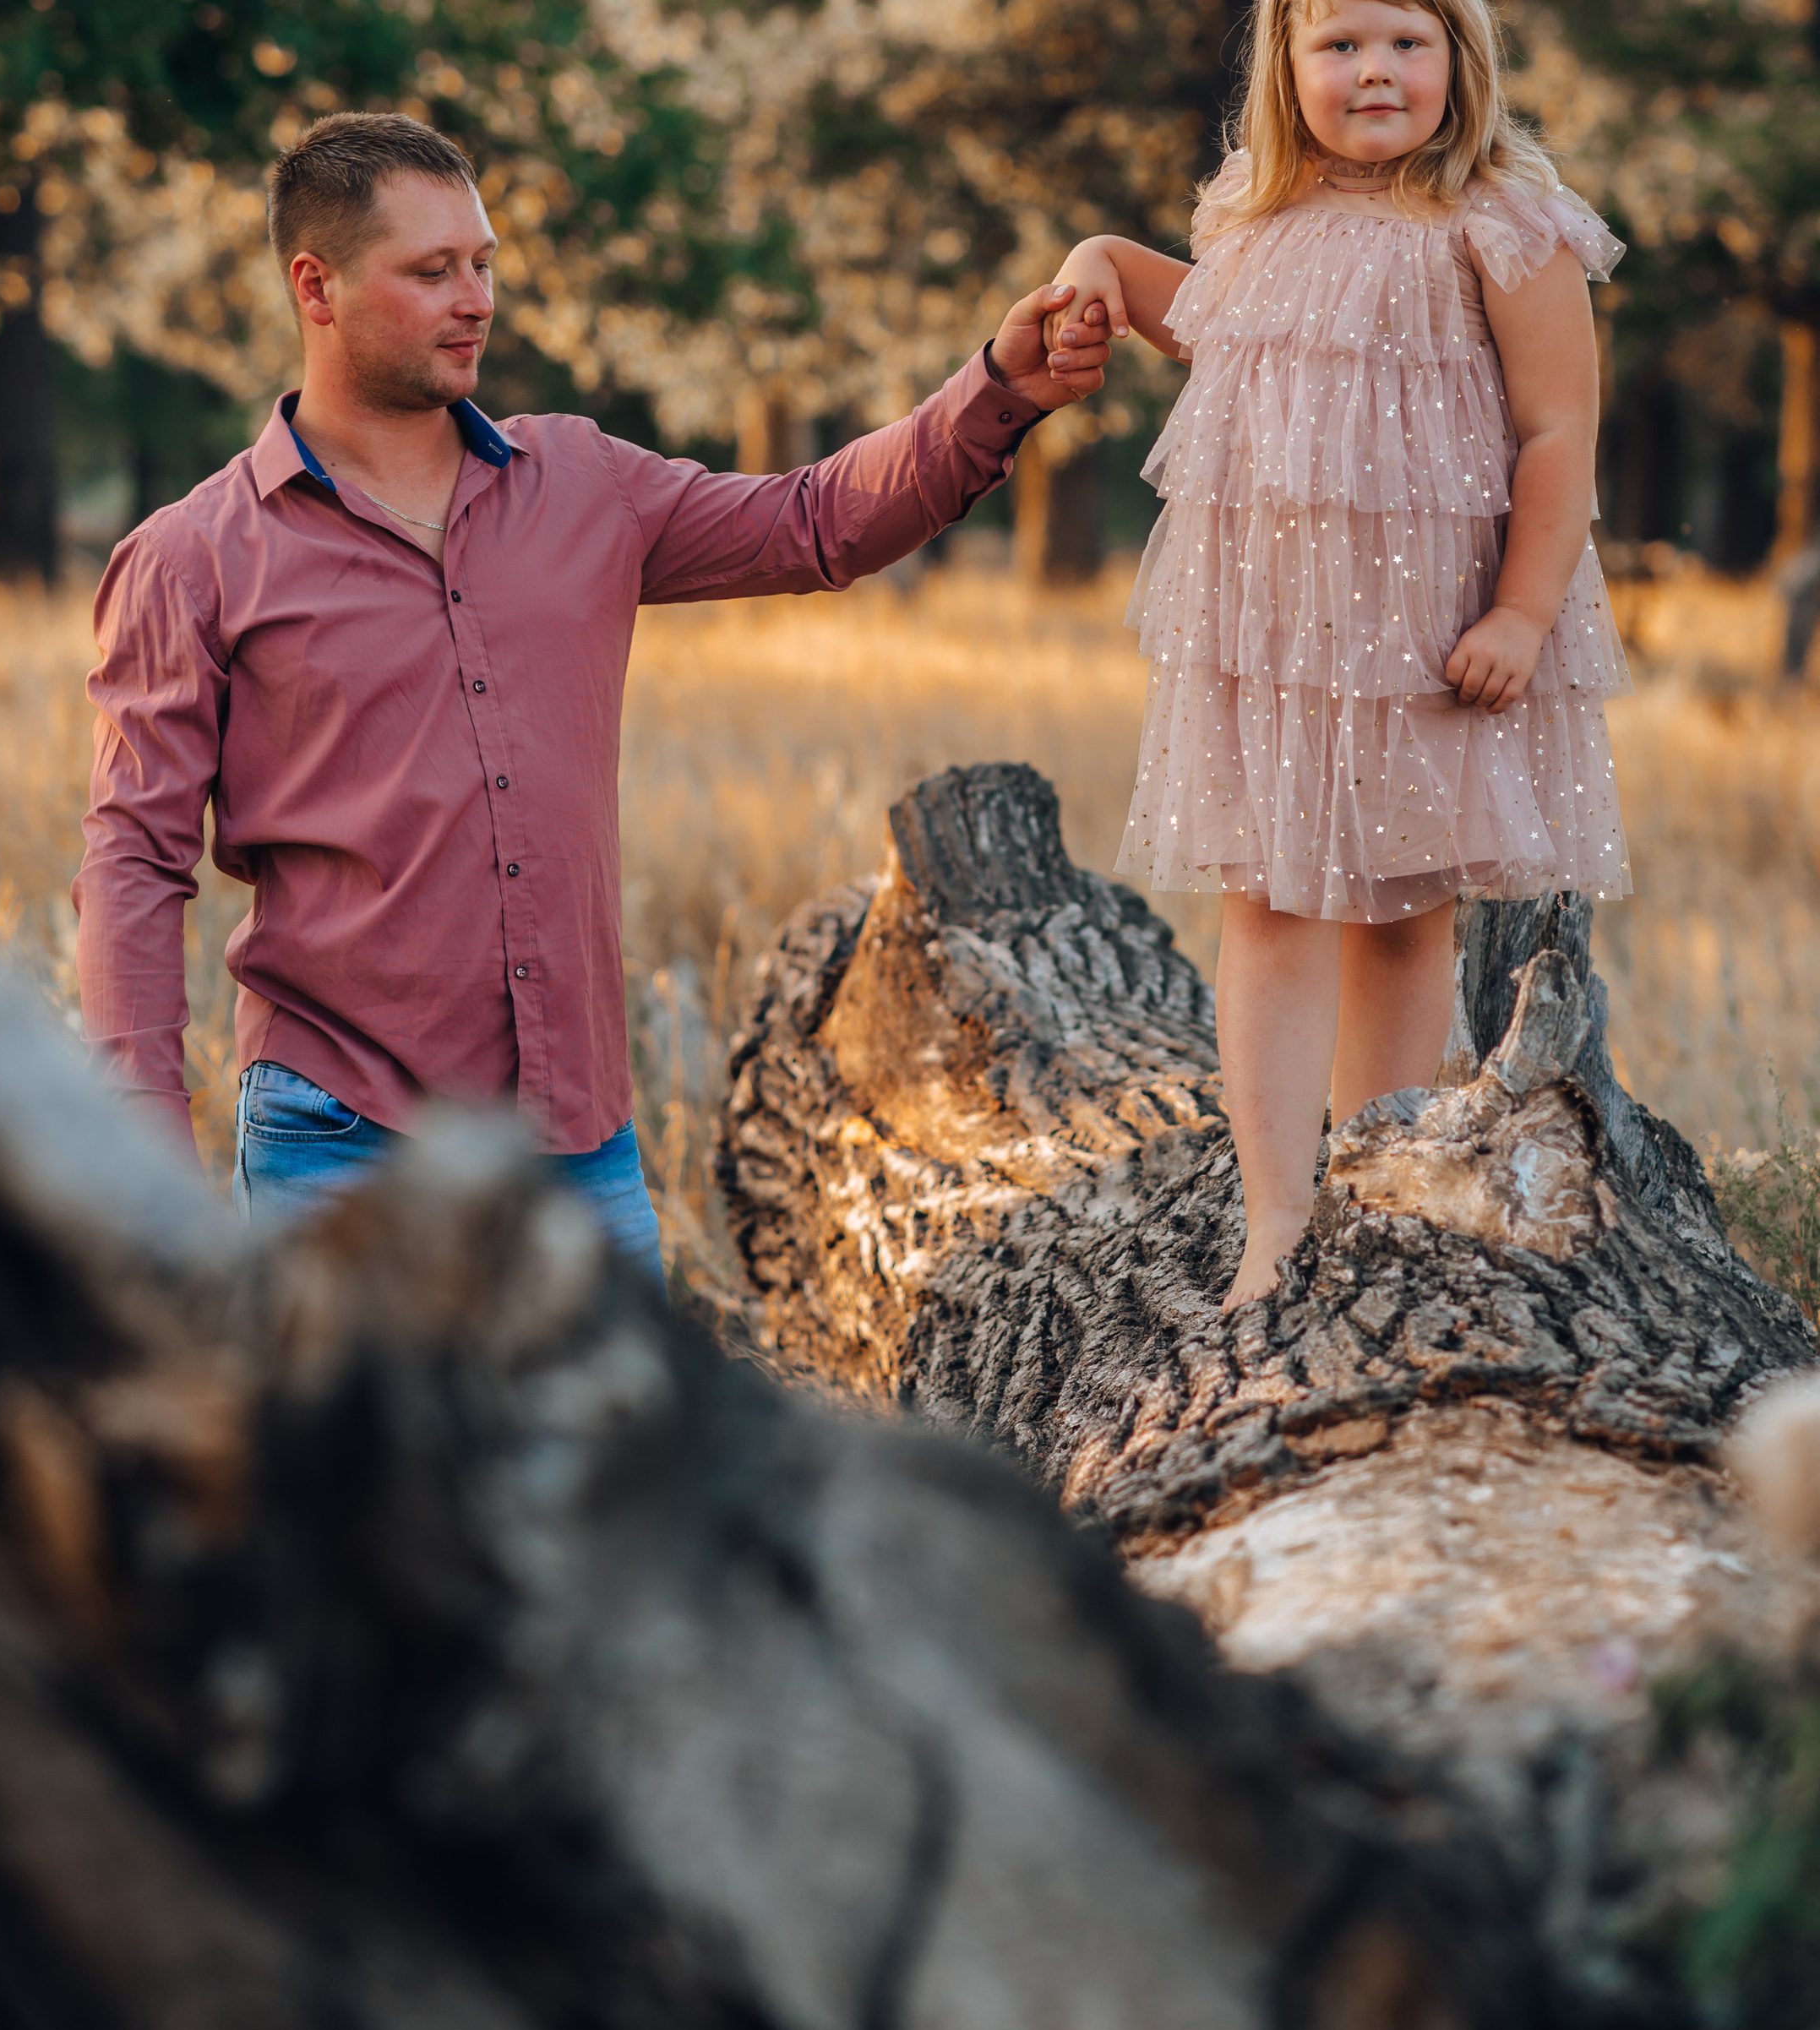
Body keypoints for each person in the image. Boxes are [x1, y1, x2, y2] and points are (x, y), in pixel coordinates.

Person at [73, 109, 1109, 1276]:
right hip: (339, 1151)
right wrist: (143, 1168)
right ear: (316, 287)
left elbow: (818, 522)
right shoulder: (192, 558)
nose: (477, 299)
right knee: (368, 1471)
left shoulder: (582, 481)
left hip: (579, 1150)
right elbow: (132, 867)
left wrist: (997, 390)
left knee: (633, 1468)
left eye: (484, 264)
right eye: (433, 271)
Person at [1046, 0, 1632, 1312]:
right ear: (1285, 65)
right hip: (1281, 642)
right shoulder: (1263, 215)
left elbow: (1560, 434)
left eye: (1406, 40)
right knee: (1271, 907)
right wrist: (1100, 271)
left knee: (1406, 914)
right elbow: (1224, 334)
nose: (1374, 72)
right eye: (1339, 43)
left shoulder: (1504, 223)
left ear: (1460, 55)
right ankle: (1275, 1220)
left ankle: (1380, 1190)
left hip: (1433, 631)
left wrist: (1519, 614)